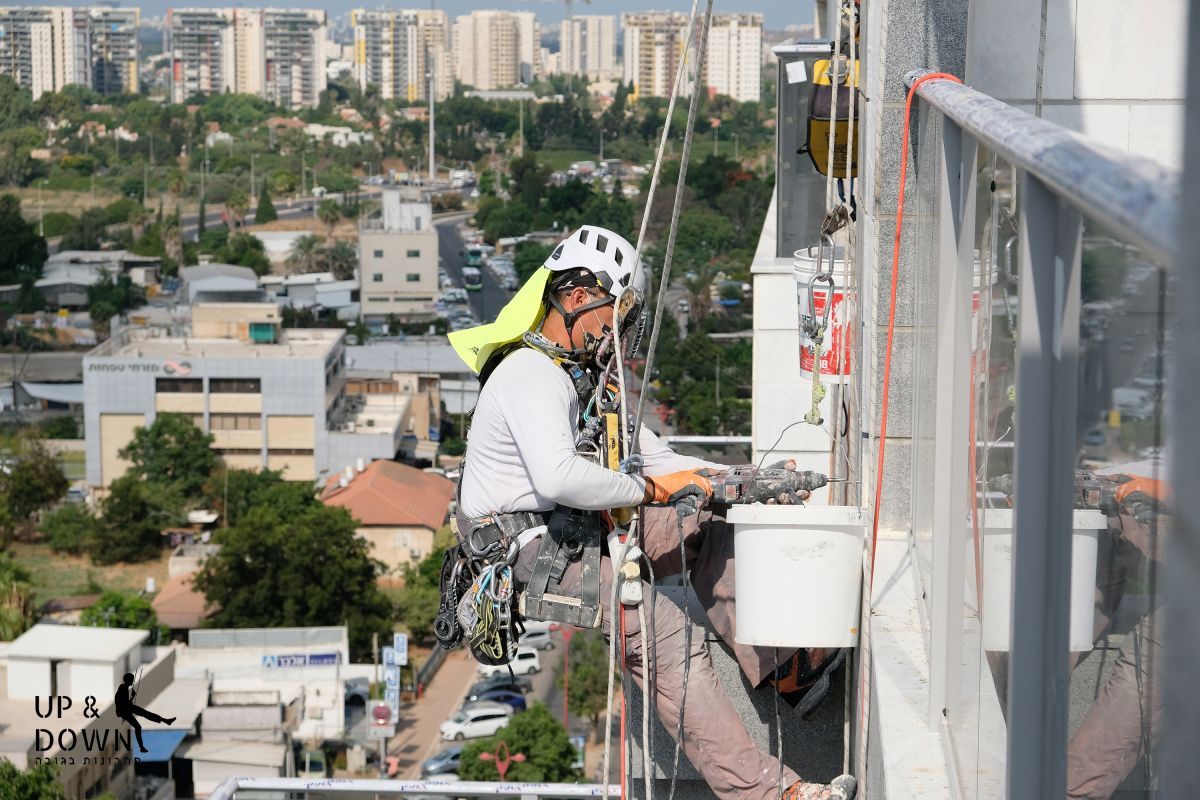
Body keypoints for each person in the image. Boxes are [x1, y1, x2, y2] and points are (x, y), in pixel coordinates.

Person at [447, 226, 856, 800]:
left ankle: (787, 667)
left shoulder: (577, 381)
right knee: (664, 635)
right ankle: (767, 793)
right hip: (528, 552)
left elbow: (662, 462)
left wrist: (746, 481)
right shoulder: (529, 375)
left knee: (703, 523)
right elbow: (561, 476)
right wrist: (654, 492)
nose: (616, 332)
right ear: (576, 295)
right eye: (614, 313)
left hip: (568, 530)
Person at [114, 672, 176, 754]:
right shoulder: (123, 688)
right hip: (125, 711)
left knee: (144, 715)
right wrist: (132, 697)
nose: (133, 681)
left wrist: (131, 698)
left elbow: (125, 702)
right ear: (128, 680)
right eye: (132, 679)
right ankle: (141, 747)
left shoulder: (123, 688)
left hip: (126, 710)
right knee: (140, 723)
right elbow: (124, 703)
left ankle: (165, 721)